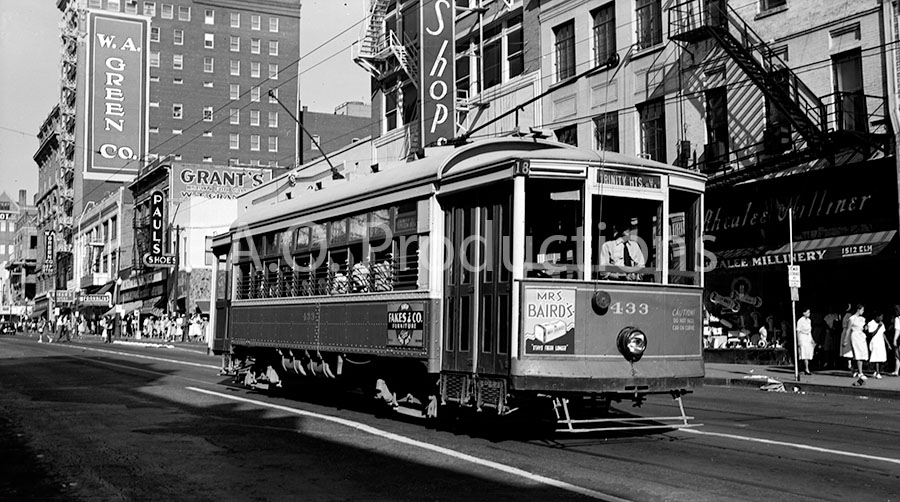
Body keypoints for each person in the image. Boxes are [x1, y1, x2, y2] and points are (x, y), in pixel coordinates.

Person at [847, 304, 868, 382]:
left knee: (862, 353)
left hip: (861, 336)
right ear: (858, 310)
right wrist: (845, 340)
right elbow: (848, 329)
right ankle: (860, 372)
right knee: (858, 353)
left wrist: (865, 328)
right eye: (862, 310)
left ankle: (857, 370)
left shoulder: (862, 319)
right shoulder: (852, 318)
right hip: (855, 336)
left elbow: (863, 327)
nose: (863, 311)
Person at [867, 313, 887, 379]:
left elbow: (883, 334)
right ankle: (878, 372)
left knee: (881, 358)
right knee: (876, 358)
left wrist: (888, 344)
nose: (882, 318)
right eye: (881, 317)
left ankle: (876, 371)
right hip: (874, 342)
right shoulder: (871, 323)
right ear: (877, 316)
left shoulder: (882, 323)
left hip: (881, 342)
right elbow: (871, 334)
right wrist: (878, 327)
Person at [796, 308, 815, 375]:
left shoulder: (809, 321)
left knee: (809, 352)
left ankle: (806, 367)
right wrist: (798, 341)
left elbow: (809, 331)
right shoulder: (800, 321)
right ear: (804, 313)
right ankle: (806, 369)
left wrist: (812, 339)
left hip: (808, 337)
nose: (809, 314)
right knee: (804, 353)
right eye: (807, 312)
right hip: (802, 337)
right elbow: (798, 331)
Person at [890, 305, 900, 377]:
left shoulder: (897, 319)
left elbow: (897, 330)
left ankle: (896, 371)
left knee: (897, 356)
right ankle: (896, 371)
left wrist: (894, 339)